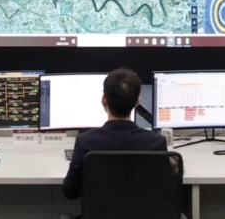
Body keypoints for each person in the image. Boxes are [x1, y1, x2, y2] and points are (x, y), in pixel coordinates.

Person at [62, 68, 167, 200]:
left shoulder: (85, 141)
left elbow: (70, 192)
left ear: (104, 100)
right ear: (137, 102)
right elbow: (165, 190)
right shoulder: (156, 143)